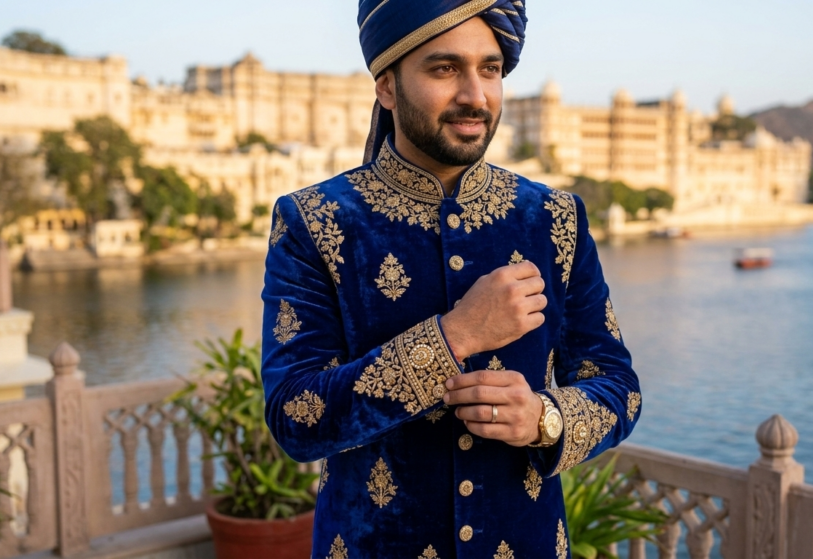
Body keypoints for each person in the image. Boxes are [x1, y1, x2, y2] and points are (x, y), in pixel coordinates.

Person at [261, 1, 641, 556]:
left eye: (490, 69)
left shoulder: (554, 218)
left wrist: (544, 418)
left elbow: (618, 388)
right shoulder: (315, 221)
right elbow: (295, 418)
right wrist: (456, 336)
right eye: (445, 69)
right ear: (386, 86)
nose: (475, 95)